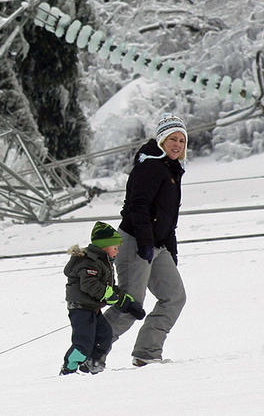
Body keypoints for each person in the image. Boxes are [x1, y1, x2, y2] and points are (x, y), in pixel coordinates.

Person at [102, 113, 188, 367]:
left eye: (182, 141)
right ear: (161, 140)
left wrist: (170, 251)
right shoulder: (151, 166)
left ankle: (147, 353)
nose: (177, 145)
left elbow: (168, 217)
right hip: (136, 242)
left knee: (174, 297)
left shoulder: (172, 169)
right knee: (131, 303)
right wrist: (145, 243)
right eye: (172, 139)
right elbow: (138, 207)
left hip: (157, 245)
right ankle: (90, 351)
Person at [60, 221, 145, 375]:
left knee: (104, 335)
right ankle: (69, 368)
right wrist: (108, 295)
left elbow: (110, 289)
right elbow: (89, 284)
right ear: (103, 246)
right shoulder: (89, 262)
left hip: (93, 309)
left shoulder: (103, 262)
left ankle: (93, 364)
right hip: (80, 309)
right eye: (115, 248)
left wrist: (126, 302)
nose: (117, 252)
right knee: (83, 343)